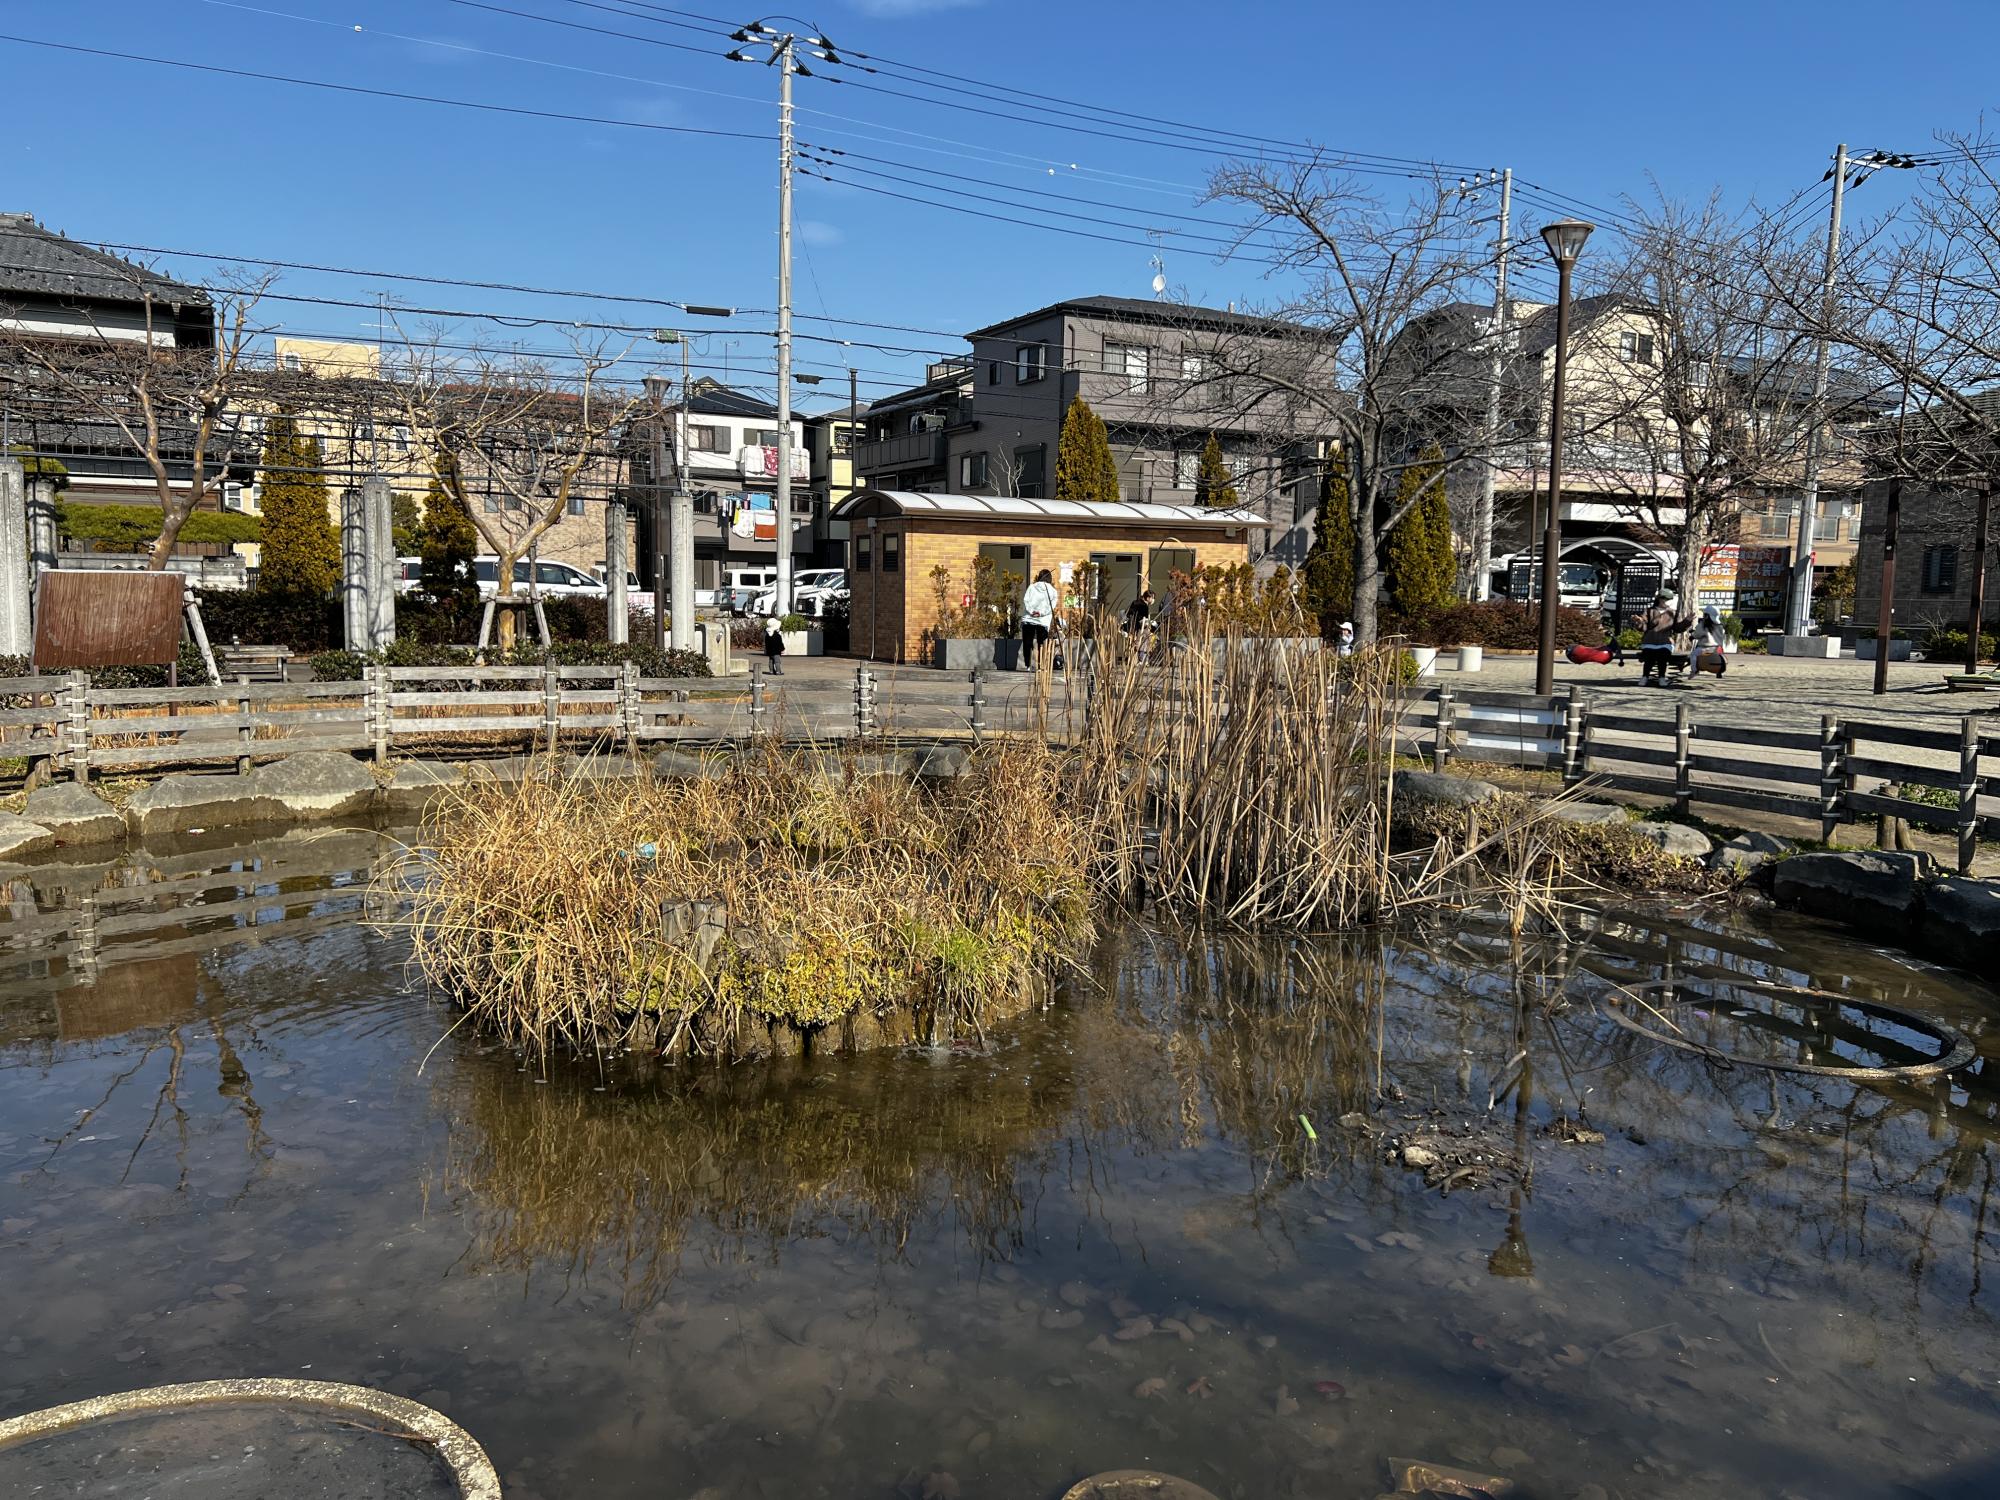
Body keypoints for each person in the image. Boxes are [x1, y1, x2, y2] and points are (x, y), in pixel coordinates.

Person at [1639, 592, 1691, 687]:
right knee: (1649, 654)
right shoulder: (1649, 610)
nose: (1668, 601)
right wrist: (1639, 622)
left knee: (1663, 654)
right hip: (1650, 640)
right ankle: (1645, 676)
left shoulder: (1673, 612)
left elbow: (1677, 628)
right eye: (1666, 599)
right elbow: (1643, 626)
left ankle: (1662, 677)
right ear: (1660, 599)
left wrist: (1687, 621)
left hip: (1665, 641)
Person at [1019, 567, 1059, 671]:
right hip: (1043, 621)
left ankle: (1027, 665)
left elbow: (1026, 601)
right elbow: (1051, 607)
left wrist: (1032, 611)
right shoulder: (1053, 591)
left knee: (1027, 642)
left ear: (1039, 577)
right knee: (1042, 643)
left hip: (1029, 618)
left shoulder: (1031, 587)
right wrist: (1040, 613)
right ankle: (1041, 666)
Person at [1691, 604, 1729, 677]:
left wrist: (1692, 636)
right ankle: (1719, 672)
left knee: (1693, 654)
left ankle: (1694, 670)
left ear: (1707, 616)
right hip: (1717, 648)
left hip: (1705, 648)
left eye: (1704, 615)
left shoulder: (1703, 625)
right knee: (1721, 652)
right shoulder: (1720, 626)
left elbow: (1697, 634)